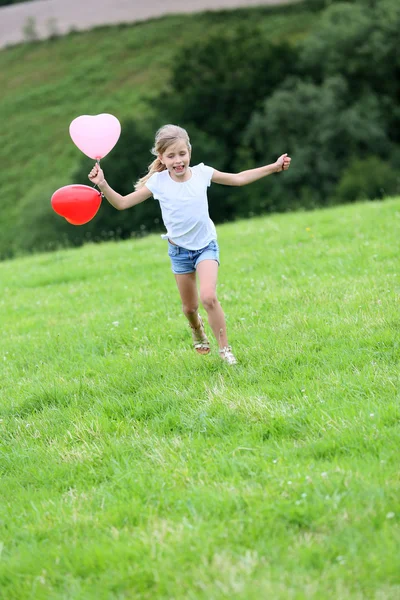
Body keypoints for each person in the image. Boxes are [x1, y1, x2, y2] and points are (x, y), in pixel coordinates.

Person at [88, 124, 291, 365]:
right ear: (161, 157)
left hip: (206, 246)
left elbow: (238, 179)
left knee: (208, 297)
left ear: (190, 152)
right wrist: (102, 184)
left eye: (182, 154)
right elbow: (122, 203)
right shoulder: (158, 183)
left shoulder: (203, 173)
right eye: (171, 156)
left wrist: (274, 166)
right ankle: (197, 329)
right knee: (189, 308)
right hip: (179, 252)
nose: (178, 160)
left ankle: (225, 350)